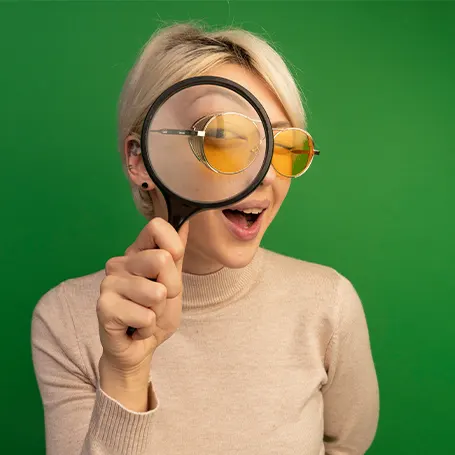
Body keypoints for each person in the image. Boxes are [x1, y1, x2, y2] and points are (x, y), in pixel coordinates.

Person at [31, 23, 379, 455]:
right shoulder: (66, 320)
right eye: (224, 139)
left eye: (283, 145)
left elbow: (347, 446)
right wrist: (126, 373)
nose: (266, 174)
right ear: (140, 159)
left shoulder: (329, 304)